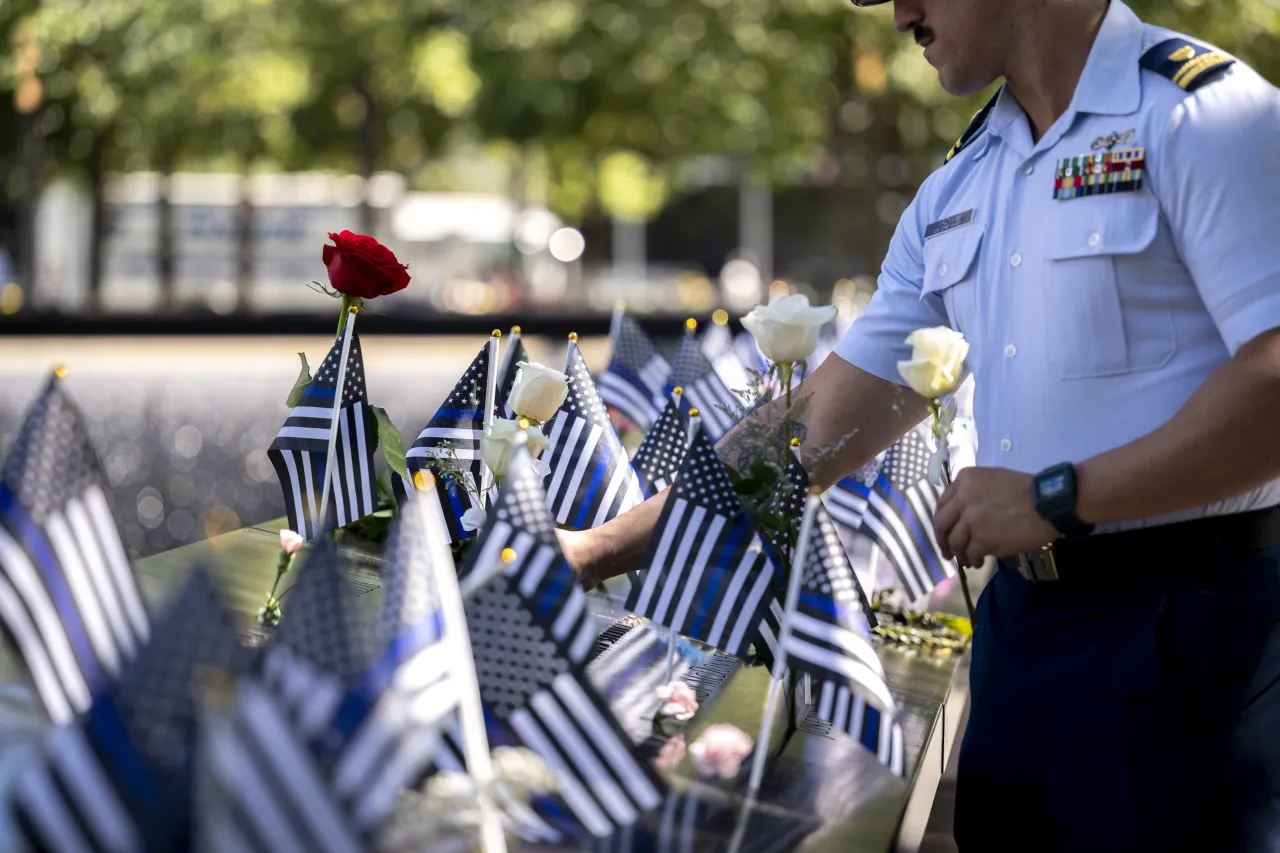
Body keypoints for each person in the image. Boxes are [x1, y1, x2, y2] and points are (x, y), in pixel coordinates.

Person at [561, 0, 1280, 849]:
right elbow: (815, 424)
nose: (899, 15)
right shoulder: (962, 181)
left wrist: (1060, 496)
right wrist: (591, 551)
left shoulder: (1209, 114)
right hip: (1021, 639)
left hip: (1193, 637)